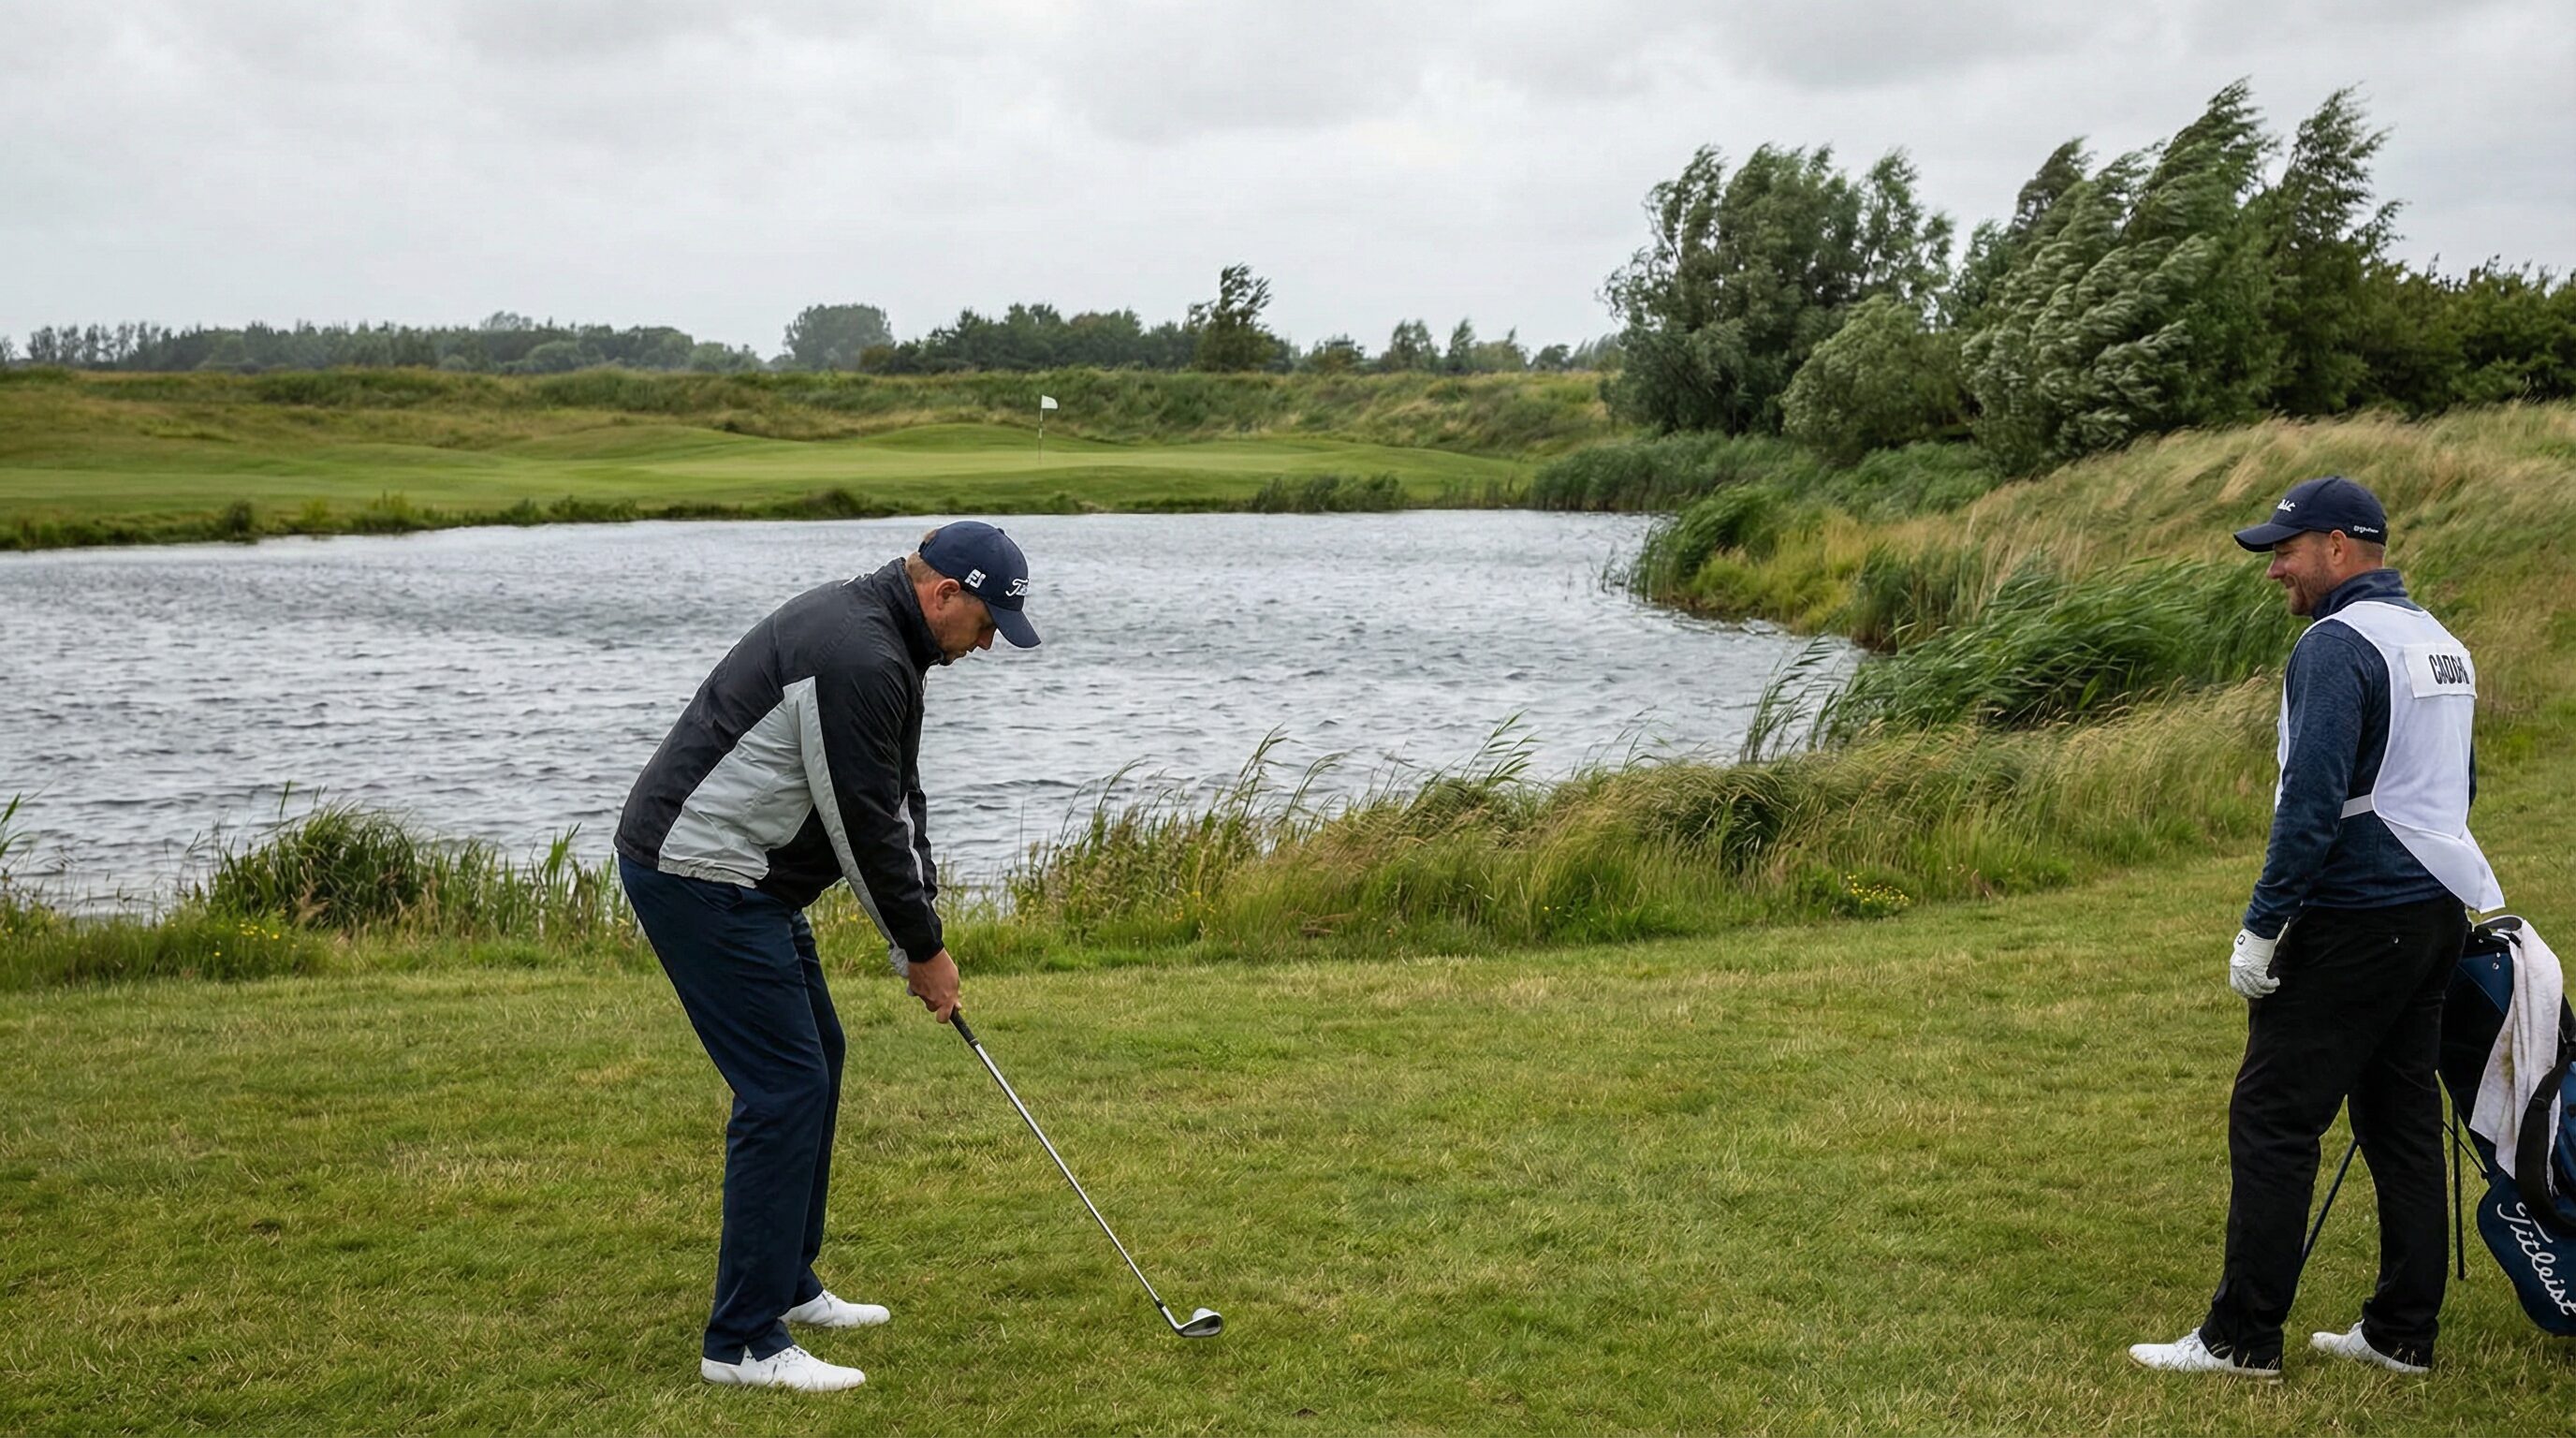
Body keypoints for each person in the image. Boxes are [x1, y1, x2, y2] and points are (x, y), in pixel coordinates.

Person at [615, 521, 1040, 1392]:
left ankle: (788, 1284)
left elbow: (898, 798)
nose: (989, 642)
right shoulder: (858, 657)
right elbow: (861, 829)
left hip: (748, 879)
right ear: (943, 594)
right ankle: (740, 1344)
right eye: (988, 621)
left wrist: (927, 927)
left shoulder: (888, 645)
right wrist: (920, 951)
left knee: (819, 1060)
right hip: (702, 871)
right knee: (784, 1087)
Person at [2130, 476, 2502, 1379]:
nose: (2276, 573)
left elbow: (2310, 804)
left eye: (2285, 553)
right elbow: (2461, 787)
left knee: (2273, 1119)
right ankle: (2402, 1332)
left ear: (2339, 547)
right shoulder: (2439, 642)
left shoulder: (2337, 645)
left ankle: (2241, 1339)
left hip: (2354, 918)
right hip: (2435, 911)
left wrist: (2264, 926)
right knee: (2402, 1118)